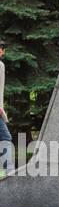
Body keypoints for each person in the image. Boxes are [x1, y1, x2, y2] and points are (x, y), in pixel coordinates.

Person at [0, 42, 12, 174]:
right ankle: (8, 171)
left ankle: (8, 171)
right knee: (5, 137)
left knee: (5, 137)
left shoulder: (1, 66)